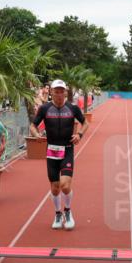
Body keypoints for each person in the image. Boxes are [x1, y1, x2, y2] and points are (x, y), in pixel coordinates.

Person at [29, 79, 88, 231]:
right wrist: (36, 134)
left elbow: (85, 123)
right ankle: (57, 214)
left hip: (67, 149)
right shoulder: (44, 109)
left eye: (62, 91)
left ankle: (68, 211)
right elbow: (33, 125)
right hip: (52, 151)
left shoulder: (73, 108)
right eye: (57, 91)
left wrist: (79, 135)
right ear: (51, 92)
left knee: (65, 185)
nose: (60, 94)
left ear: (66, 93)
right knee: (55, 188)